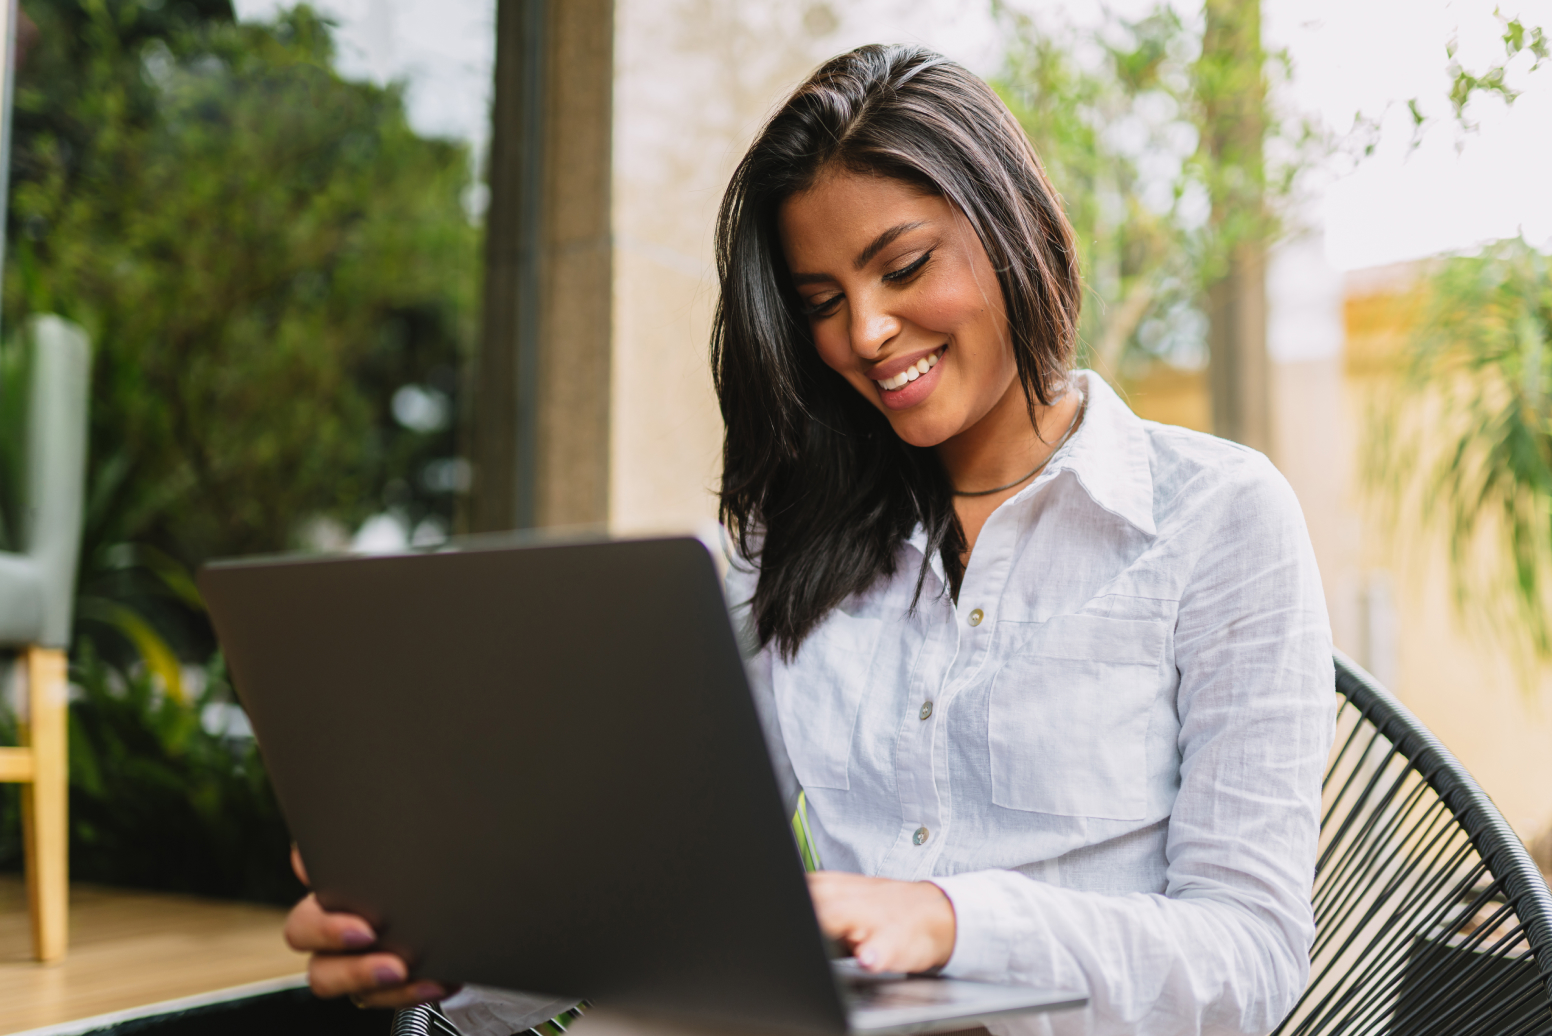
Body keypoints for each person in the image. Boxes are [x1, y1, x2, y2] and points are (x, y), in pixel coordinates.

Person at [284, 44, 1335, 1036]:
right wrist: (438, 949)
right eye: (822, 302)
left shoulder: (1218, 519)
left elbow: (1248, 953)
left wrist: (948, 919)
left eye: (905, 265)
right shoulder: (793, 547)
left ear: (1012, 225)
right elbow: (662, 889)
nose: (865, 334)